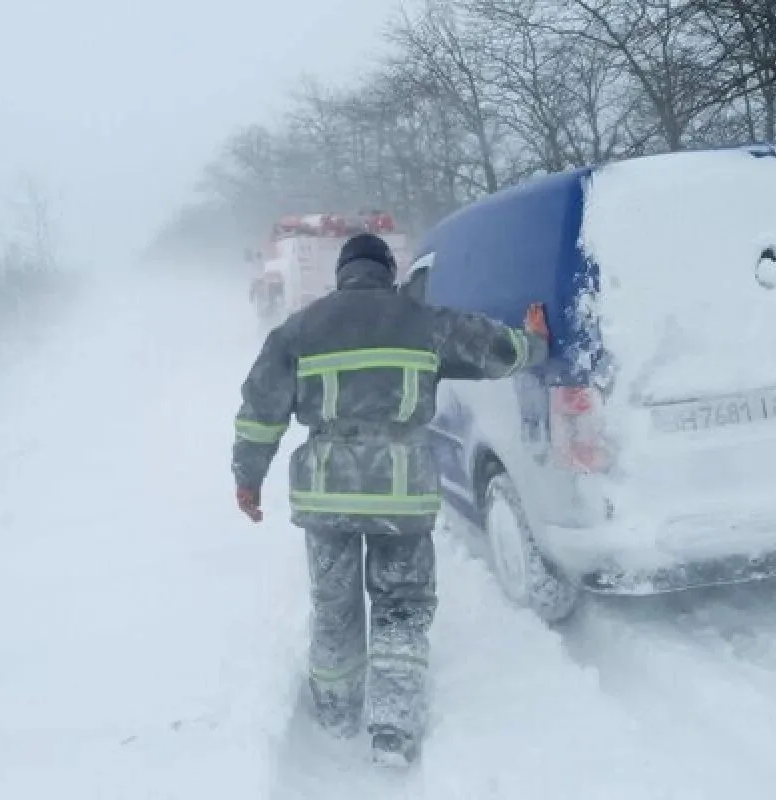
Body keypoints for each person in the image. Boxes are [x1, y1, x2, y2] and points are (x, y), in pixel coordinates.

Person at [231, 232, 550, 767]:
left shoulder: (299, 330)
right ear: (388, 271)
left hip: (327, 494)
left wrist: (248, 476)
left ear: (342, 273)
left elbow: (260, 409)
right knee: (401, 604)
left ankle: (336, 713)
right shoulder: (422, 321)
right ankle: (393, 728)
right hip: (400, 493)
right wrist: (534, 342)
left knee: (334, 605)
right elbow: (495, 350)